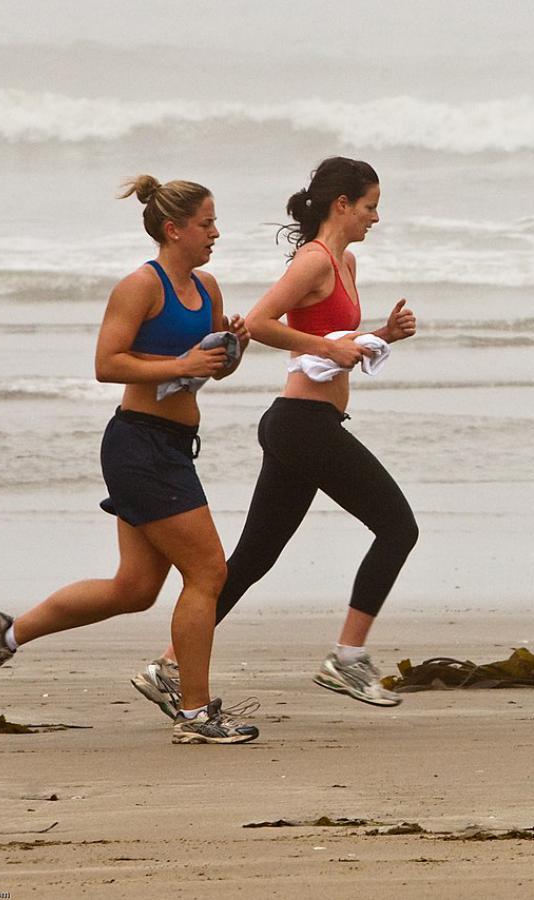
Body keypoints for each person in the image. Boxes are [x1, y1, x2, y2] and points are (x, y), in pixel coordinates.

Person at [0, 175, 259, 745]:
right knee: (208, 572)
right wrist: (180, 365)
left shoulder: (209, 289)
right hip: (138, 446)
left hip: (172, 446)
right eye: (206, 223)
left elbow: (206, 371)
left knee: (134, 588)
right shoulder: (140, 286)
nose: (216, 233)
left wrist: (231, 353)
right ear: (173, 229)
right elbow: (107, 363)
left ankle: (5, 635)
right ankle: (196, 713)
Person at [131, 157, 418, 716]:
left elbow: (329, 335)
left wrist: (381, 335)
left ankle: (167, 665)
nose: (375, 218)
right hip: (301, 425)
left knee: (255, 555)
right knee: (398, 527)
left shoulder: (346, 262)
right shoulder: (314, 261)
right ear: (342, 205)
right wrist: (328, 349)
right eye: (369, 206)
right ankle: (348, 657)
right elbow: (260, 322)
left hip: (304, 426)